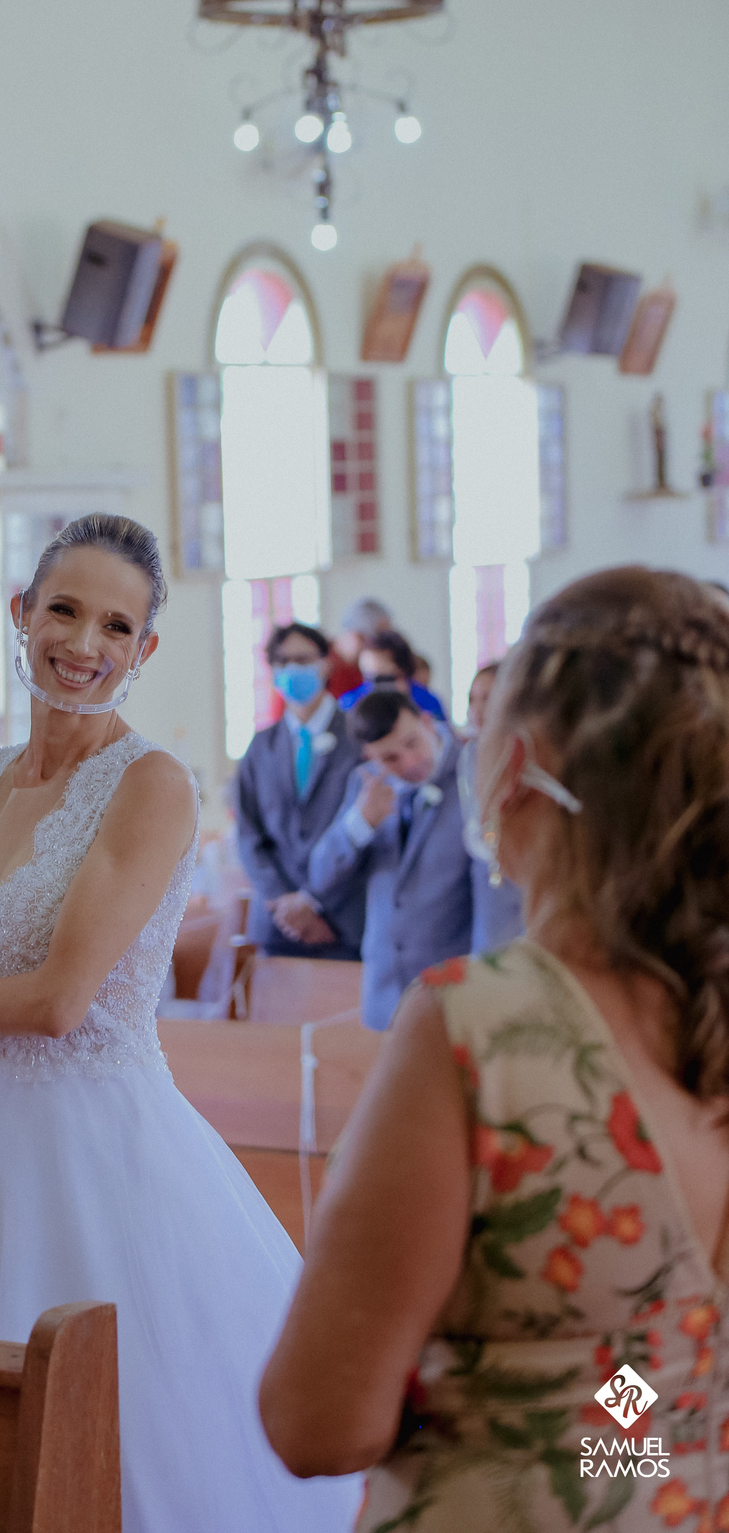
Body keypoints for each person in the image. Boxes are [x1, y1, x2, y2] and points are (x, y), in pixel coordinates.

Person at [0, 514, 362, 1533]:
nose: (84, 644)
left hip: (103, 1149)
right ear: (21, 612)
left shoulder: (151, 784)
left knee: (121, 1440)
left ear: (144, 648)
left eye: (116, 626)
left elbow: (57, 1002)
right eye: (64, 611)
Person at [260, 567, 729, 1531]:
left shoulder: (485, 1029)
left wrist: (499, 1413)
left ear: (511, 766)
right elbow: (660, 1352)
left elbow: (320, 1422)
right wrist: (581, 1433)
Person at [309, 690, 472, 1030]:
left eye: (413, 743)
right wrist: (360, 823)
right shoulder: (366, 784)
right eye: (390, 757)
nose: (409, 763)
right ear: (369, 755)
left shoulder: (472, 776)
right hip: (383, 992)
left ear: (427, 723)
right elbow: (320, 877)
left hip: (455, 986)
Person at [235, 622, 364, 960]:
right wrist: (284, 903)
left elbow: (368, 829)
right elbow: (249, 834)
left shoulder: (358, 738)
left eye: (303, 660)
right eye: (283, 661)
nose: (292, 669)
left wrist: (314, 902)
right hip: (279, 925)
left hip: (343, 920)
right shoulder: (261, 747)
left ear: (326, 664)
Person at [459, 661, 523, 952]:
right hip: (488, 883)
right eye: (472, 699)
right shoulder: (470, 753)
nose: (477, 708)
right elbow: (474, 825)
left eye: (487, 698)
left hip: (524, 877)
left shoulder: (531, 754)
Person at [339, 629, 448, 722]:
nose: (377, 685)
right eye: (369, 677)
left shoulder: (426, 702)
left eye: (383, 678)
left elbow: (443, 735)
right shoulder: (351, 702)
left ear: (402, 669)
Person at [329, 596, 393, 698]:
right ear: (357, 636)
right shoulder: (321, 666)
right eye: (378, 639)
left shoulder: (369, 671)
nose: (381, 648)